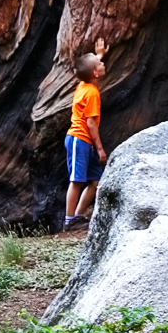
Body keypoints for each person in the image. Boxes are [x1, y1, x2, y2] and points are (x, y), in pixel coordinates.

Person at [63, 37, 109, 230]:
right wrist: (100, 148)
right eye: (100, 63)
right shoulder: (91, 93)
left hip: (84, 141)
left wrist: (98, 55)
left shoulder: (84, 84)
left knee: (95, 180)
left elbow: (87, 72)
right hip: (78, 139)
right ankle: (68, 219)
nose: (103, 63)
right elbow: (91, 123)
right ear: (96, 73)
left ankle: (78, 216)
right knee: (76, 180)